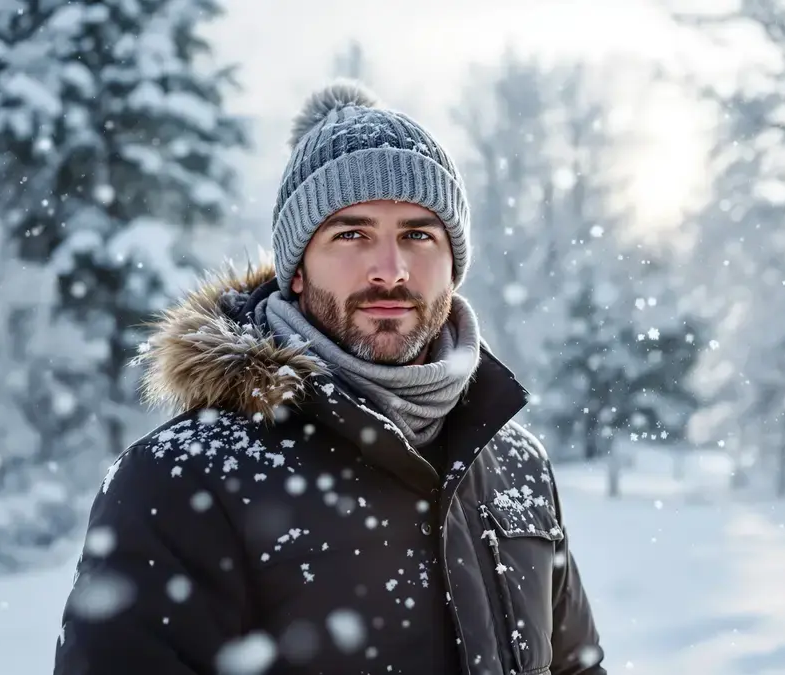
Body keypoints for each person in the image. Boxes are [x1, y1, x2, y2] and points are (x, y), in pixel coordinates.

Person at [53, 81, 606, 675]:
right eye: (352, 234)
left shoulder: (514, 460)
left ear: (454, 263)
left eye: (418, 234)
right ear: (296, 269)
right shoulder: (183, 479)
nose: (390, 271)